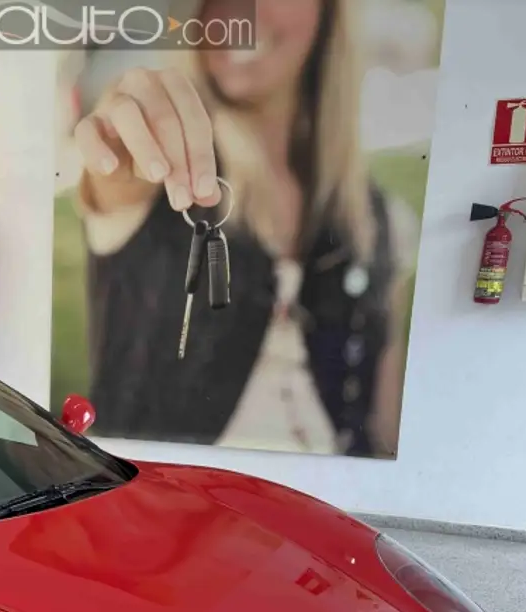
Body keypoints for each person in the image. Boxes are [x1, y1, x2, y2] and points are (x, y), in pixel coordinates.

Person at [74, 0, 408, 457]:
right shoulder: (162, 164)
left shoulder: (378, 218)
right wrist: (120, 136)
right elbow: (113, 176)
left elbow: (382, 421)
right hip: (172, 513)